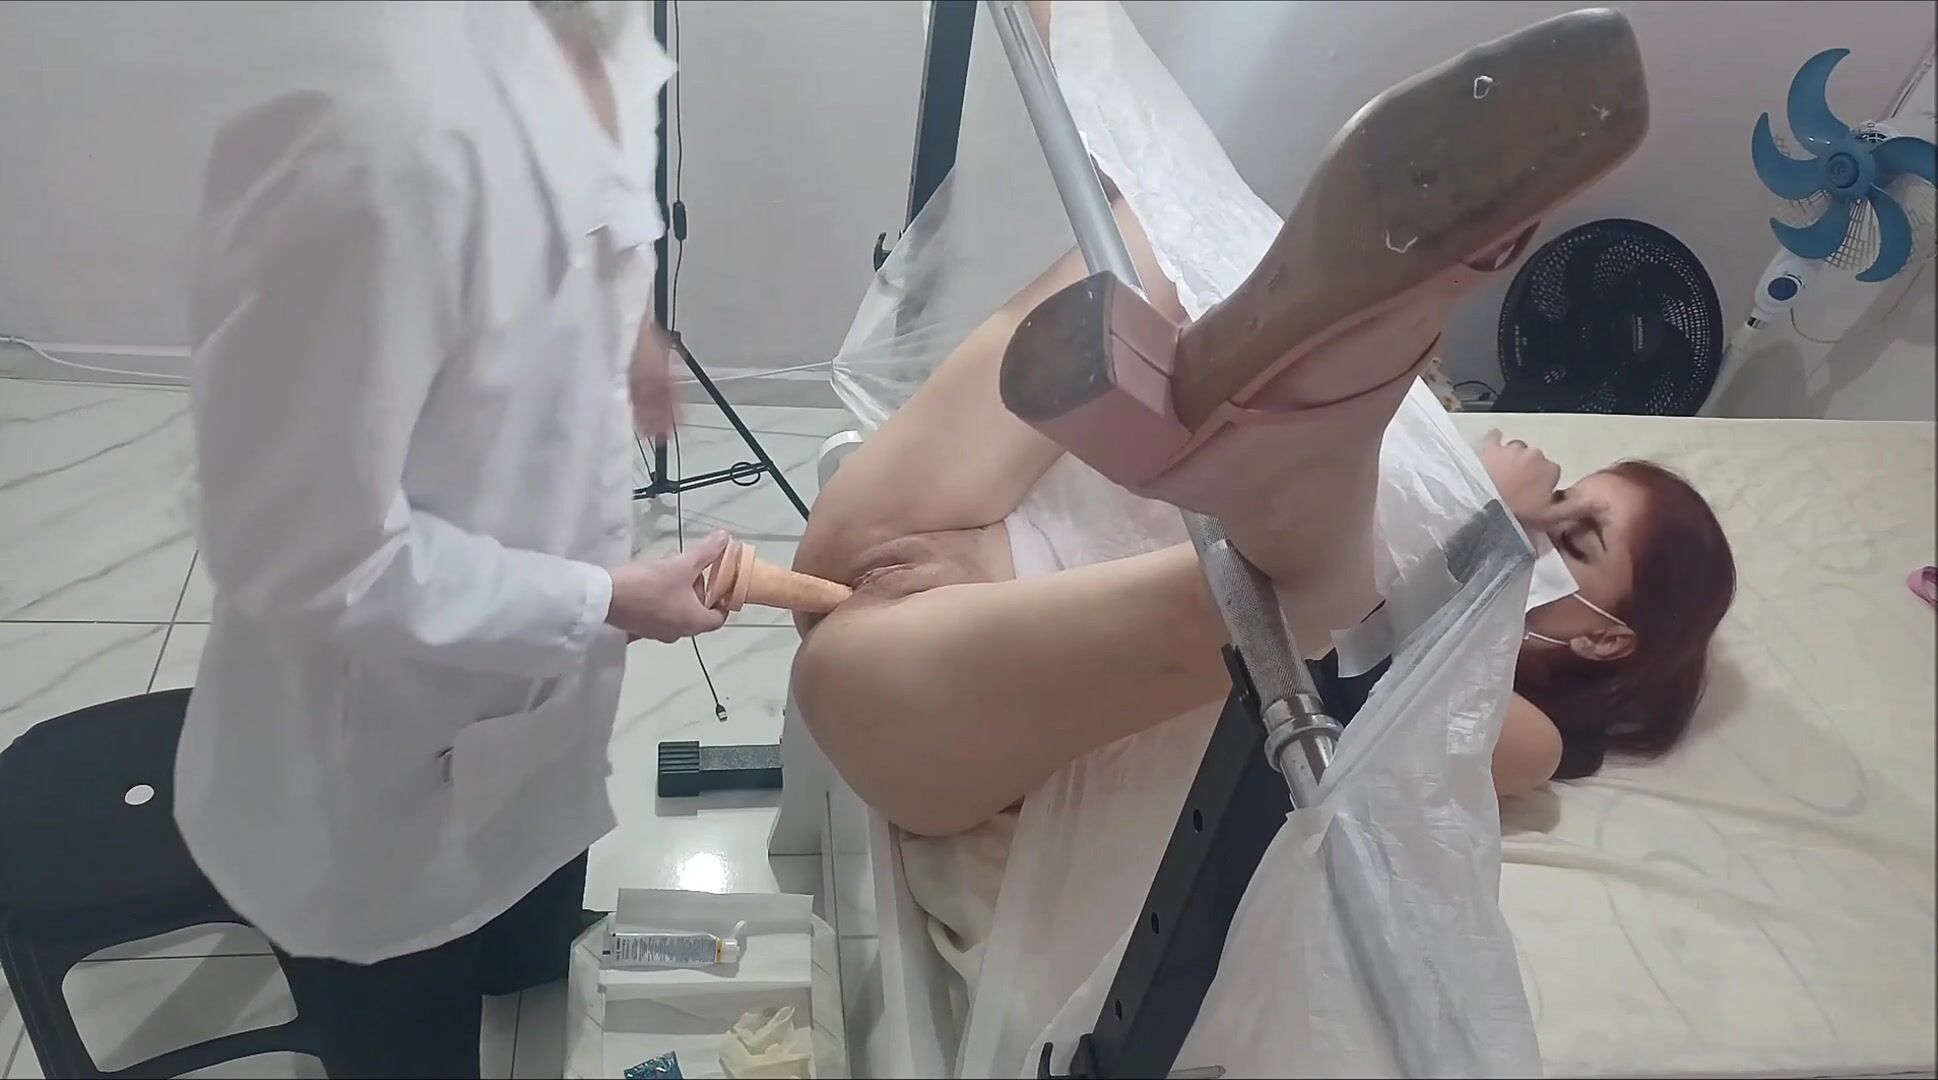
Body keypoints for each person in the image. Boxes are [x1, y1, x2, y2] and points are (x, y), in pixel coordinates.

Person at [790, 9, 1735, 841]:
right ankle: (1135, 129)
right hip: (946, 530)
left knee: (1302, 602)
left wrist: (1480, 525)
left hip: (950, 706)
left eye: (1577, 536)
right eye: (1565, 499)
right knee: (1166, 237)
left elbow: (1390, 697)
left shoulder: (1535, 741)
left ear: (1607, 638)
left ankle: (1360, 377)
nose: (1546, 514)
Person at [177, 3, 728, 1075]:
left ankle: (516, 951)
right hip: (380, 749)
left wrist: (627, 327)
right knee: (410, 1011)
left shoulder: (592, 34)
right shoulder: (369, 158)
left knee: (527, 887)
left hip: (531, 687)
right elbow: (310, 553)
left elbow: (600, 192)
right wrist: (605, 600)